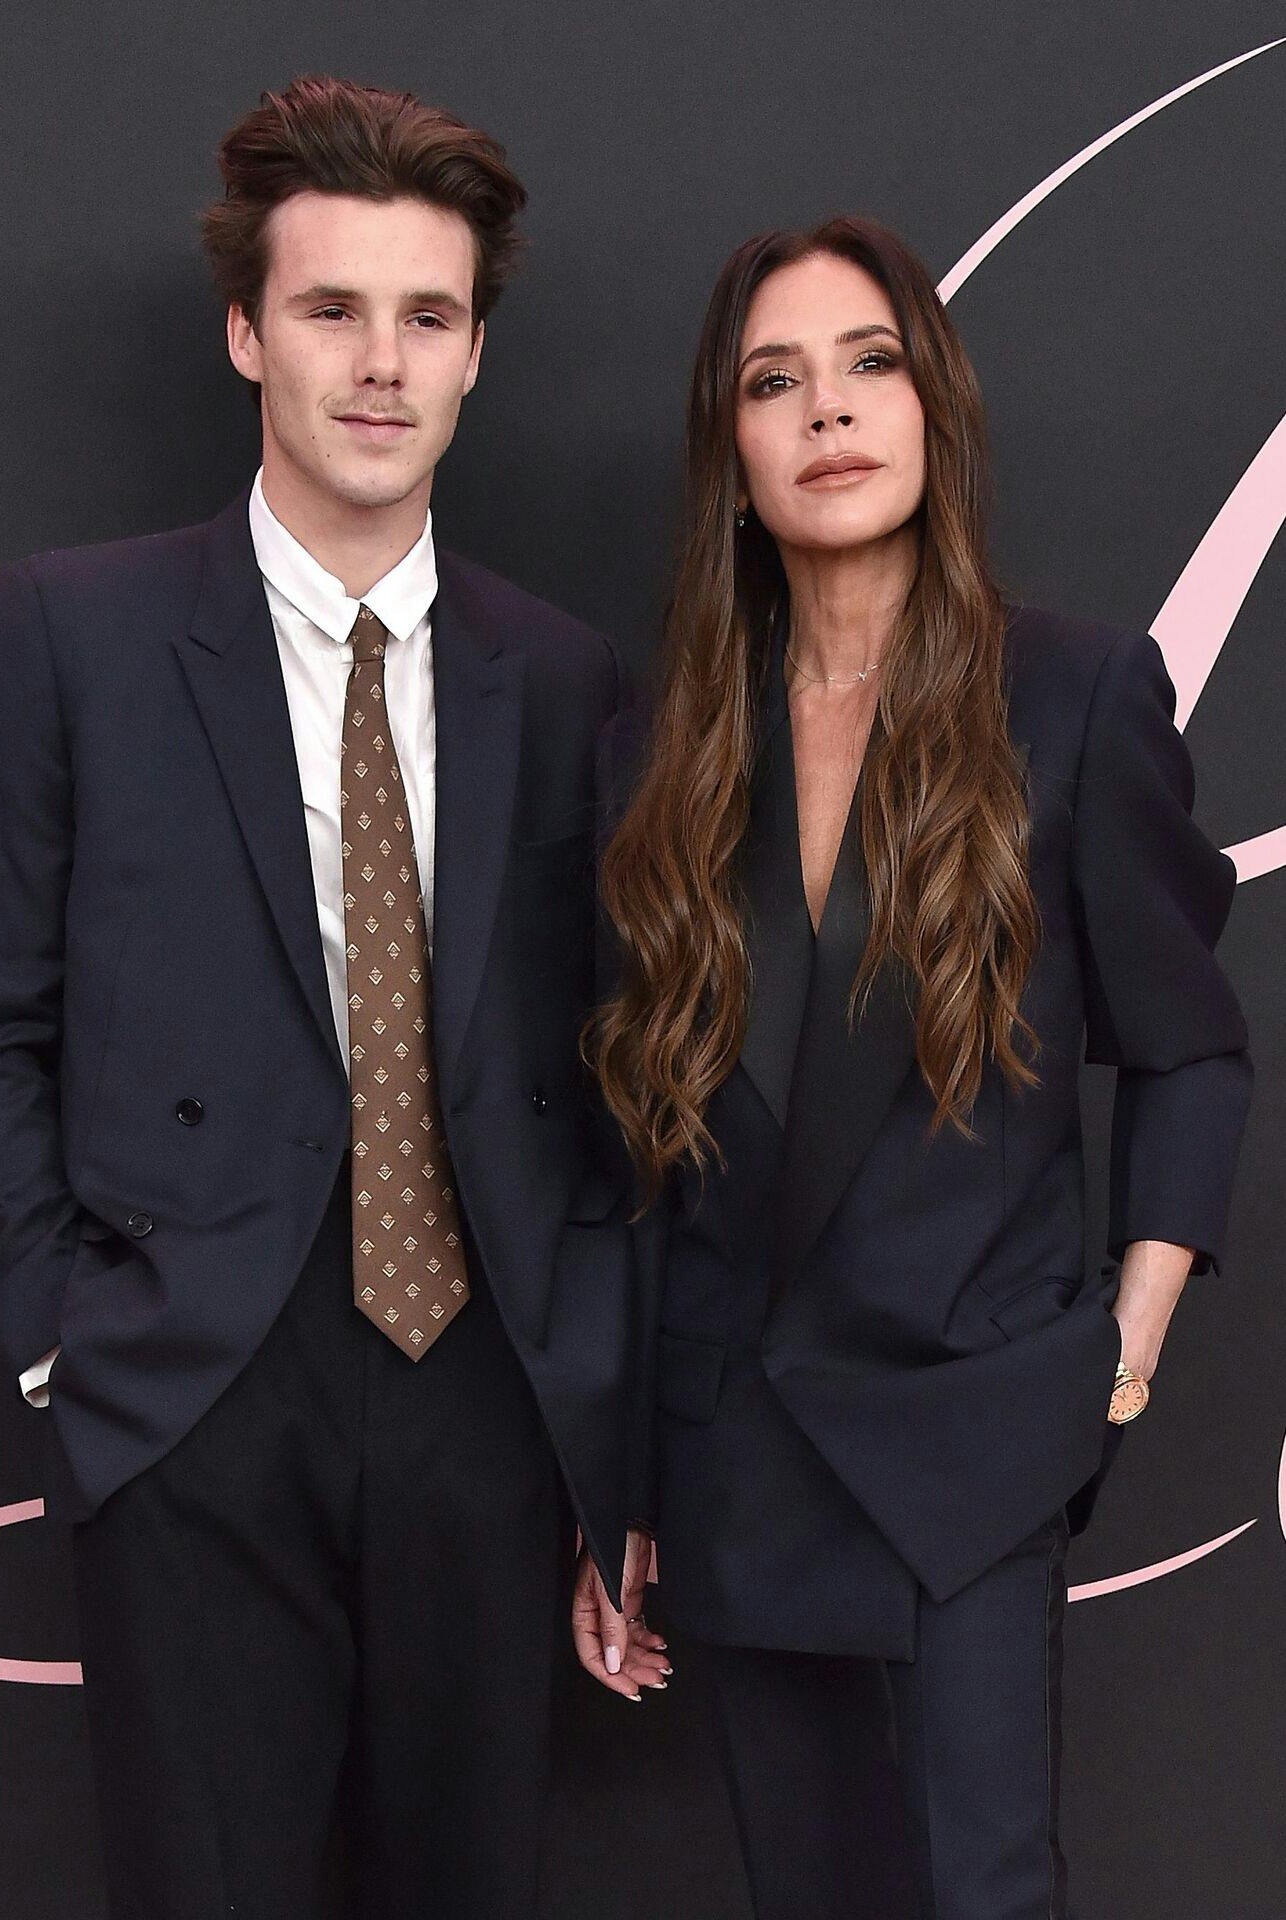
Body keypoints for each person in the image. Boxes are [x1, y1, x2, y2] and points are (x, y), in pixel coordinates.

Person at [0, 75, 666, 1920]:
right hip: (189, 1381)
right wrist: (61, 1338)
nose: (381, 364)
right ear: (248, 330)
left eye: (429, 316)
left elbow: (619, 1056)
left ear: (480, 351)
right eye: (333, 309)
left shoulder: (564, 678)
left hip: (485, 1396)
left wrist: (595, 1417)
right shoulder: (68, 630)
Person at [572, 216, 1252, 1919]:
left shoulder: (1077, 693)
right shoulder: (659, 739)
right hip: (736, 1435)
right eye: (774, 382)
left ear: (932, 409)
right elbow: (638, 1158)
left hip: (976, 1418)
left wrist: (1123, 1342)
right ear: (728, 455)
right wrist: (622, 1479)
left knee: (982, 1889)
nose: (828, 413)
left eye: (869, 364)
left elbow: (1189, 1051)